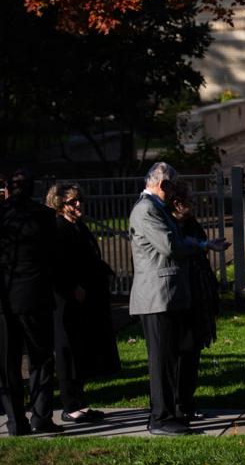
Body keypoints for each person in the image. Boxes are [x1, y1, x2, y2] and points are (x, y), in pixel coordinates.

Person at [129, 162, 225, 436]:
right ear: (163, 185)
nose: (174, 194)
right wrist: (201, 245)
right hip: (156, 297)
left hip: (169, 296)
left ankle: (171, 412)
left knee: (171, 358)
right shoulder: (146, 210)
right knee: (161, 360)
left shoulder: (156, 209)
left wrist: (202, 245)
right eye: (172, 186)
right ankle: (160, 417)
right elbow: (170, 246)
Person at [47, 183, 120, 425]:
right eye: (72, 201)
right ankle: (70, 405)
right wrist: (73, 286)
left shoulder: (79, 226)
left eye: (80, 200)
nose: (78, 204)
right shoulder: (58, 228)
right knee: (67, 351)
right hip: (66, 301)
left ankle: (80, 401)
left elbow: (90, 258)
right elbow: (57, 265)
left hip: (84, 299)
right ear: (60, 204)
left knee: (80, 351)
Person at [0, 168, 62, 435]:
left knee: (8, 363)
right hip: (36, 295)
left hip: (4, 298)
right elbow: (53, 257)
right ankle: (41, 415)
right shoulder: (44, 217)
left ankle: (15, 420)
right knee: (41, 359)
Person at [164, 182, 221, 424]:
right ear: (177, 203)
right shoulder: (170, 226)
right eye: (190, 200)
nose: (194, 205)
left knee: (192, 353)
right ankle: (177, 403)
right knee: (181, 352)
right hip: (181, 296)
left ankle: (186, 401)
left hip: (198, 294)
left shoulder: (191, 224)